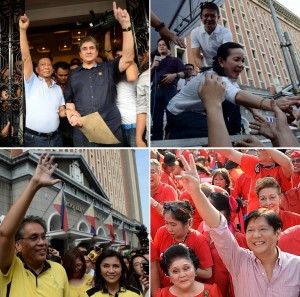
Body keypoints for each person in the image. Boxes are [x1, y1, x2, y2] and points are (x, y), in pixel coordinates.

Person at [179, 154, 300, 297]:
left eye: (262, 229)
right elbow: (219, 227)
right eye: (250, 230)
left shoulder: (296, 266)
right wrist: (196, 192)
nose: (256, 235)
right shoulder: (239, 261)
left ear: (278, 232)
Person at [167, 42, 300, 139]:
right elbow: (236, 95)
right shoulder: (211, 77)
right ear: (221, 61)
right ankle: (173, 133)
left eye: (243, 61)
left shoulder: (228, 80)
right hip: (177, 112)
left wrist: (254, 111)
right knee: (213, 130)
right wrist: (272, 104)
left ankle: (232, 133)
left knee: (230, 106)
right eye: (236, 60)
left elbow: (238, 93)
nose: (241, 65)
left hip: (197, 112)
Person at [64, 2, 135, 147]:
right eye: (85, 49)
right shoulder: (73, 74)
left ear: (97, 52)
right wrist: (71, 115)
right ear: (80, 53)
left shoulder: (109, 67)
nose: (88, 51)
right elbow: (69, 102)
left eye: (92, 48)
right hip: (83, 128)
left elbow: (128, 57)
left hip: (111, 126)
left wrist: (126, 26)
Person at [0, 154, 70, 296]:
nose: (42, 243)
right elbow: (5, 233)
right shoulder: (9, 267)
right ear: (17, 245)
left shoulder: (59, 270)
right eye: (33, 237)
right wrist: (34, 184)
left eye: (43, 237)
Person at [19, 15, 78, 147]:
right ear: (37, 69)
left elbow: (61, 111)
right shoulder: (32, 82)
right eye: (42, 64)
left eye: (49, 65)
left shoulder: (57, 88)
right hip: (35, 139)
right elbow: (26, 58)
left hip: (57, 138)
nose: (46, 66)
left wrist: (69, 112)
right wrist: (23, 30)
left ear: (53, 69)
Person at [153, 200, 213, 288]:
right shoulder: (162, 232)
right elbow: (156, 263)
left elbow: (208, 273)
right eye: (166, 223)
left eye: (173, 225)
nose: (169, 229)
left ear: (187, 223)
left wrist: (184, 269)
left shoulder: (199, 240)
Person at [216, 148, 292, 214]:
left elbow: (288, 163)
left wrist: (266, 148)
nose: (257, 150)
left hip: (274, 219)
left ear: (271, 154)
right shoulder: (255, 163)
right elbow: (230, 154)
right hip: (253, 220)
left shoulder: (281, 170)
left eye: (261, 149)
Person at [151, 38, 187, 140]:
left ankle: (171, 137)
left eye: (164, 44)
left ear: (169, 48)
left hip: (170, 90)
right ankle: (157, 139)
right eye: (159, 45)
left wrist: (174, 75)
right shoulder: (154, 61)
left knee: (172, 116)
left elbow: (185, 73)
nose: (161, 46)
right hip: (155, 91)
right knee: (156, 118)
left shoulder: (176, 60)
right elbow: (148, 79)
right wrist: (153, 67)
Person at [155, 244, 222, 297]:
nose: (182, 275)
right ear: (168, 274)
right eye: (175, 271)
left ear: (194, 268)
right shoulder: (162, 295)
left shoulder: (211, 292)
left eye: (186, 268)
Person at [191, 2, 232, 69]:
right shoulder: (195, 32)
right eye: (206, 15)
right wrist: (204, 69)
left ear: (218, 18)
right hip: (207, 67)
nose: (209, 19)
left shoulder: (226, 33)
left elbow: (226, 55)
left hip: (224, 66)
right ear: (201, 17)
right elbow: (197, 57)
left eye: (213, 16)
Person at [150, 159, 177, 239]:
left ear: (160, 174)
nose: (149, 175)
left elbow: (173, 216)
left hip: (166, 240)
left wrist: (153, 202)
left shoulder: (168, 190)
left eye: (152, 172)